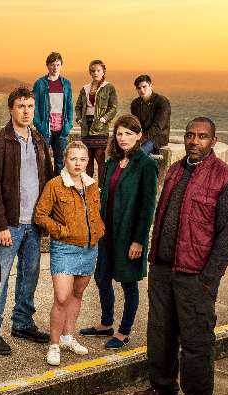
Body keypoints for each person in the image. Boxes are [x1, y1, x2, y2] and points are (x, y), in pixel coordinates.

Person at [132, 117, 228, 395]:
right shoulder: (175, 170)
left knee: (196, 341)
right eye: (190, 135)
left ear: (213, 140)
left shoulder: (226, 180)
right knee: (160, 331)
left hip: (195, 275)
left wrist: (209, 278)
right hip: (163, 268)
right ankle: (163, 386)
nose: (194, 141)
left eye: (202, 136)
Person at [0, 86, 54, 355]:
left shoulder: (39, 141)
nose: (26, 111)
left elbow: (48, 180)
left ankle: (22, 323)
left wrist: (47, 218)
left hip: (34, 224)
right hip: (10, 224)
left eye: (30, 107)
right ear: (11, 109)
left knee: (29, 276)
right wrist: (0, 225)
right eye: (21, 106)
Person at [81, 115, 158, 349]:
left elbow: (147, 207)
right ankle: (106, 323)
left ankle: (124, 332)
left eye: (128, 134)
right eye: (119, 133)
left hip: (129, 235)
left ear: (139, 136)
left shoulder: (146, 165)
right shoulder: (112, 161)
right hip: (107, 233)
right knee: (101, 277)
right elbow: (104, 195)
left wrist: (139, 240)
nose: (123, 138)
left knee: (128, 283)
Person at [34, 141, 105, 366]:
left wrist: (99, 230)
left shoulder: (92, 185)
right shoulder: (55, 185)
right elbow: (40, 215)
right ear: (65, 160)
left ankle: (68, 336)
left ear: (87, 161)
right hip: (65, 248)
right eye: (73, 158)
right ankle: (54, 344)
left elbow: (95, 212)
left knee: (77, 294)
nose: (78, 163)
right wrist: (61, 231)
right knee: (62, 297)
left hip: (89, 248)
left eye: (82, 159)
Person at [75, 60, 117, 181]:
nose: (95, 73)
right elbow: (78, 107)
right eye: (93, 71)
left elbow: (113, 108)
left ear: (103, 71)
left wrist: (103, 119)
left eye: (98, 70)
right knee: (88, 158)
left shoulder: (109, 87)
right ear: (90, 72)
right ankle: (89, 185)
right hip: (86, 126)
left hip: (100, 126)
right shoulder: (85, 88)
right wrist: (79, 120)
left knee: (99, 156)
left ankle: (101, 186)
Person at [33, 52, 74, 175]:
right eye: (52, 65)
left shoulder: (66, 84)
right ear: (47, 66)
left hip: (62, 129)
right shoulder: (40, 84)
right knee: (43, 160)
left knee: (60, 161)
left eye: (58, 65)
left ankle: (57, 184)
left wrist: (68, 125)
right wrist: (39, 125)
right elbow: (34, 106)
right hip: (45, 129)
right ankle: (44, 185)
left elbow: (70, 106)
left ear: (61, 66)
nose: (55, 68)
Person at [130, 75, 171, 155]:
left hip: (158, 137)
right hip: (141, 137)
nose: (142, 90)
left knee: (139, 153)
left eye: (144, 87)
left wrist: (142, 138)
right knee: (121, 150)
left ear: (150, 86)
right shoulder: (135, 104)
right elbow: (135, 124)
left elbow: (158, 127)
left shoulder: (162, 101)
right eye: (139, 88)